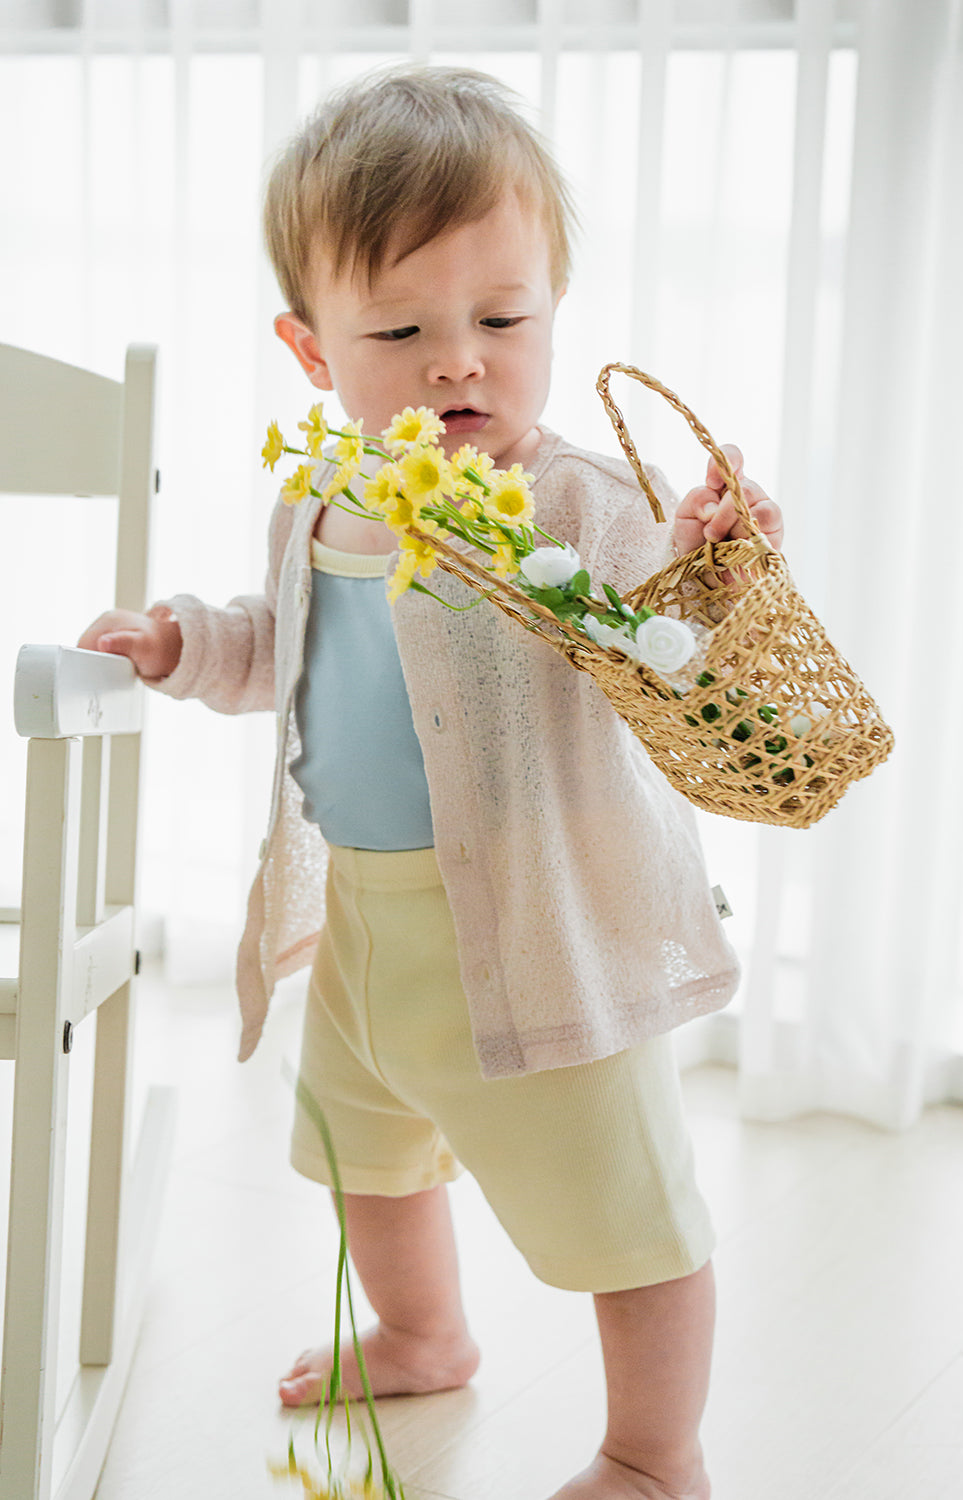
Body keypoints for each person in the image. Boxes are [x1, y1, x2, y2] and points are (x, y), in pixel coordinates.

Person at [80, 64, 783, 1500]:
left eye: (503, 320)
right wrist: (177, 643)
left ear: (553, 311)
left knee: (625, 1206)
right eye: (401, 328)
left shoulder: (577, 498)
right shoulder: (324, 490)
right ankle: (422, 1330)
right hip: (368, 917)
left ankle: (657, 1452)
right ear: (311, 347)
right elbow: (282, 643)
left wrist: (722, 553)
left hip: (538, 926)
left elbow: (679, 635)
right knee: (367, 1151)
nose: (460, 360)